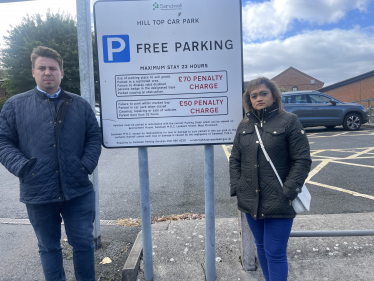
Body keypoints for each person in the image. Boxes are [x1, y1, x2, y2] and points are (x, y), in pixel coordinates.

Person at [0, 46, 102, 281]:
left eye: (53, 68)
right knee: (48, 247)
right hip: (37, 192)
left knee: (84, 245)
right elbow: (4, 141)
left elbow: (93, 137)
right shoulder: (15, 106)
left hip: (78, 190)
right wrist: (23, 167)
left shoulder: (80, 105)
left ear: (61, 73)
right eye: (42, 68)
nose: (48, 72)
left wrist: (85, 165)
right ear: (33, 72)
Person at [229, 77, 311, 281]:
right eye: (253, 95)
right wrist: (238, 187)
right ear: (249, 100)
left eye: (263, 93)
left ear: (274, 96)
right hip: (250, 200)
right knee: (262, 248)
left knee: (275, 252)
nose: (258, 98)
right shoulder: (244, 125)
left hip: (279, 200)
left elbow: (302, 160)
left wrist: (289, 191)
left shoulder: (289, 121)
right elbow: (235, 159)